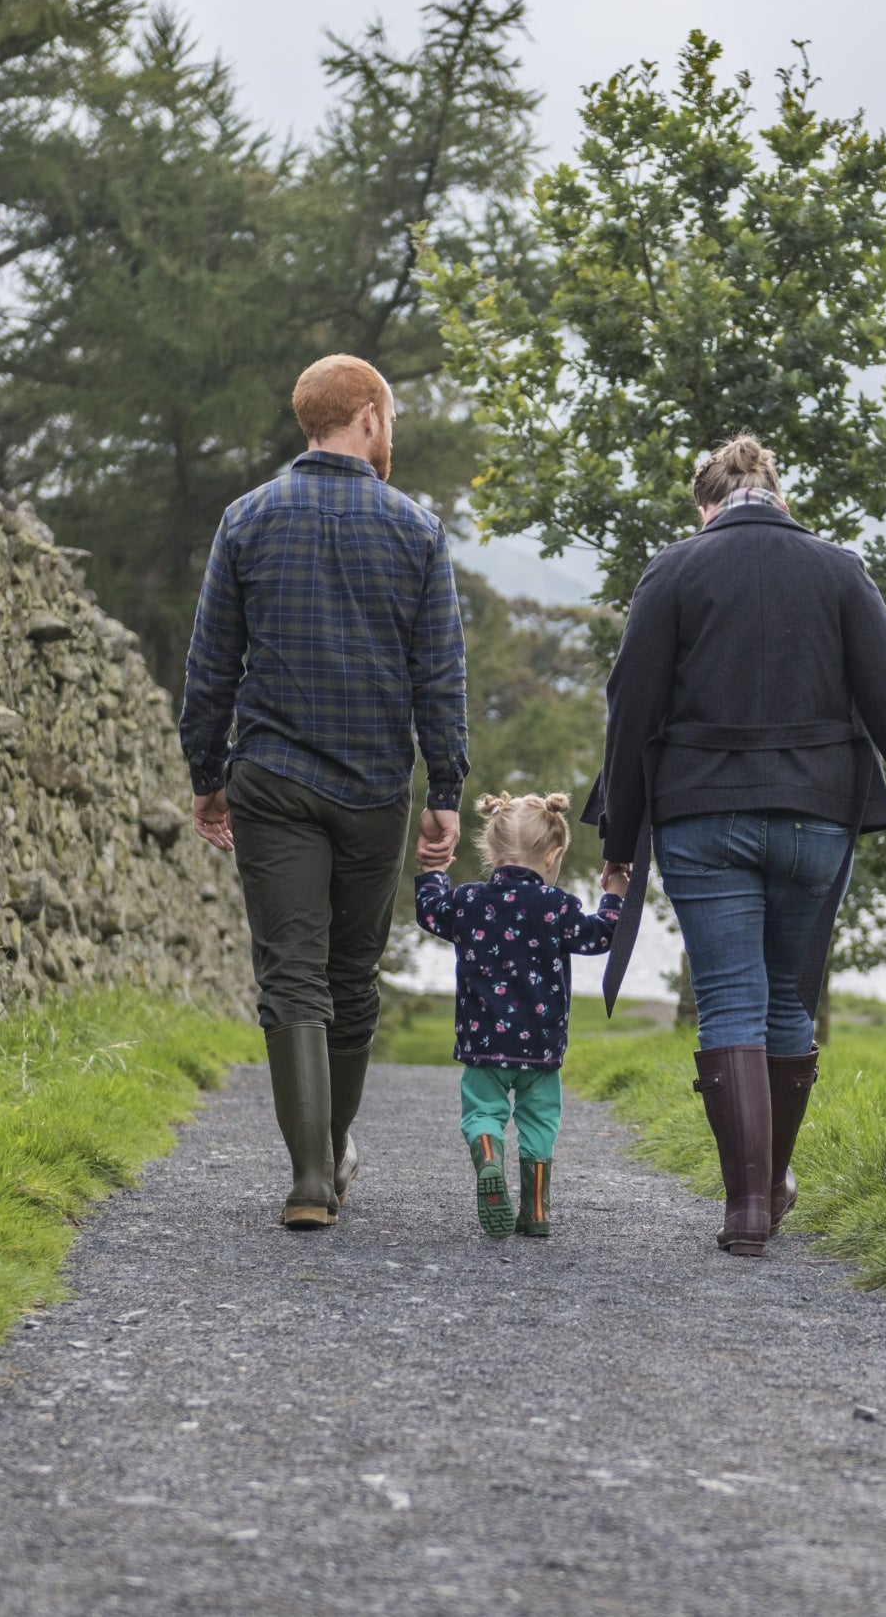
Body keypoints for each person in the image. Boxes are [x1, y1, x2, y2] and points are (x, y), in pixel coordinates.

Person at [585, 434, 886, 1256]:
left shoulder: (672, 570)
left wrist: (620, 839)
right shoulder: (840, 570)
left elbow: (631, 707)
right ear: (778, 494)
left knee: (732, 1002)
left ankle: (746, 1208)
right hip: (817, 816)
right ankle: (772, 1185)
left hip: (702, 816)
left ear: (707, 504)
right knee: (786, 1003)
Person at [180, 354, 467, 1231]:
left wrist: (208, 777)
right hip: (374, 788)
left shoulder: (247, 518)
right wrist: (445, 787)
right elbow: (440, 676)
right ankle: (332, 1153)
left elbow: (210, 664)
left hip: (272, 781)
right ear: (370, 418)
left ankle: (310, 1177)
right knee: (351, 977)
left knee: (291, 976)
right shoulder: (416, 531)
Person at [413, 793, 626, 1238]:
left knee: (482, 1114)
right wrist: (614, 895)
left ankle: (490, 1157)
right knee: (539, 1121)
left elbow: (431, 913)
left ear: (491, 851)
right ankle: (536, 1210)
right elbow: (600, 937)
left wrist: (433, 873)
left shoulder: (468, 901)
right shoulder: (558, 905)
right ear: (552, 854)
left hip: (483, 1043)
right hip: (542, 1048)